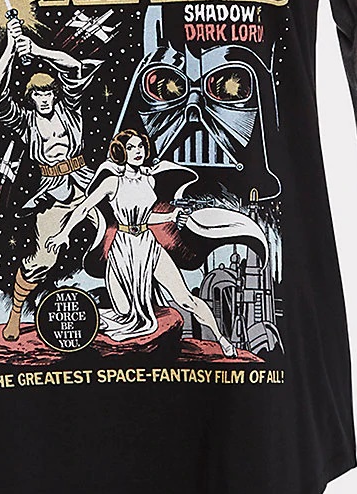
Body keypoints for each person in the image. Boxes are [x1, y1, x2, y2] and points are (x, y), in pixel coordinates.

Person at [45, 128, 266, 357]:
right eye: (131, 147)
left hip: (148, 246)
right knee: (124, 313)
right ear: (121, 152)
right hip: (122, 251)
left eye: (140, 146)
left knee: (185, 299)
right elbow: (83, 208)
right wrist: (63, 233)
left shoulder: (149, 180)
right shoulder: (112, 182)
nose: (137, 151)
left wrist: (171, 216)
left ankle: (222, 339)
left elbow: (146, 217)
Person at [0, 14, 100, 341]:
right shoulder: (25, 121)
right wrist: (11, 49)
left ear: (55, 93)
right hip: (53, 190)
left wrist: (37, 50)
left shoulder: (70, 108)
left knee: (132, 224)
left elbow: (74, 67)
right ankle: (15, 314)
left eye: (49, 93)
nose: (44, 99)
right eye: (38, 95)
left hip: (88, 181)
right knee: (41, 259)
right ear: (31, 97)